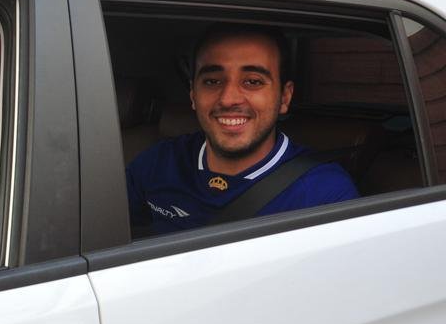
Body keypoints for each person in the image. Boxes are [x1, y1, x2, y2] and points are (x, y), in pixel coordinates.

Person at [126, 24, 358, 234]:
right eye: (213, 81)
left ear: (284, 97)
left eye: (253, 81)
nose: (228, 99)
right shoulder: (157, 163)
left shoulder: (322, 194)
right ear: (193, 95)